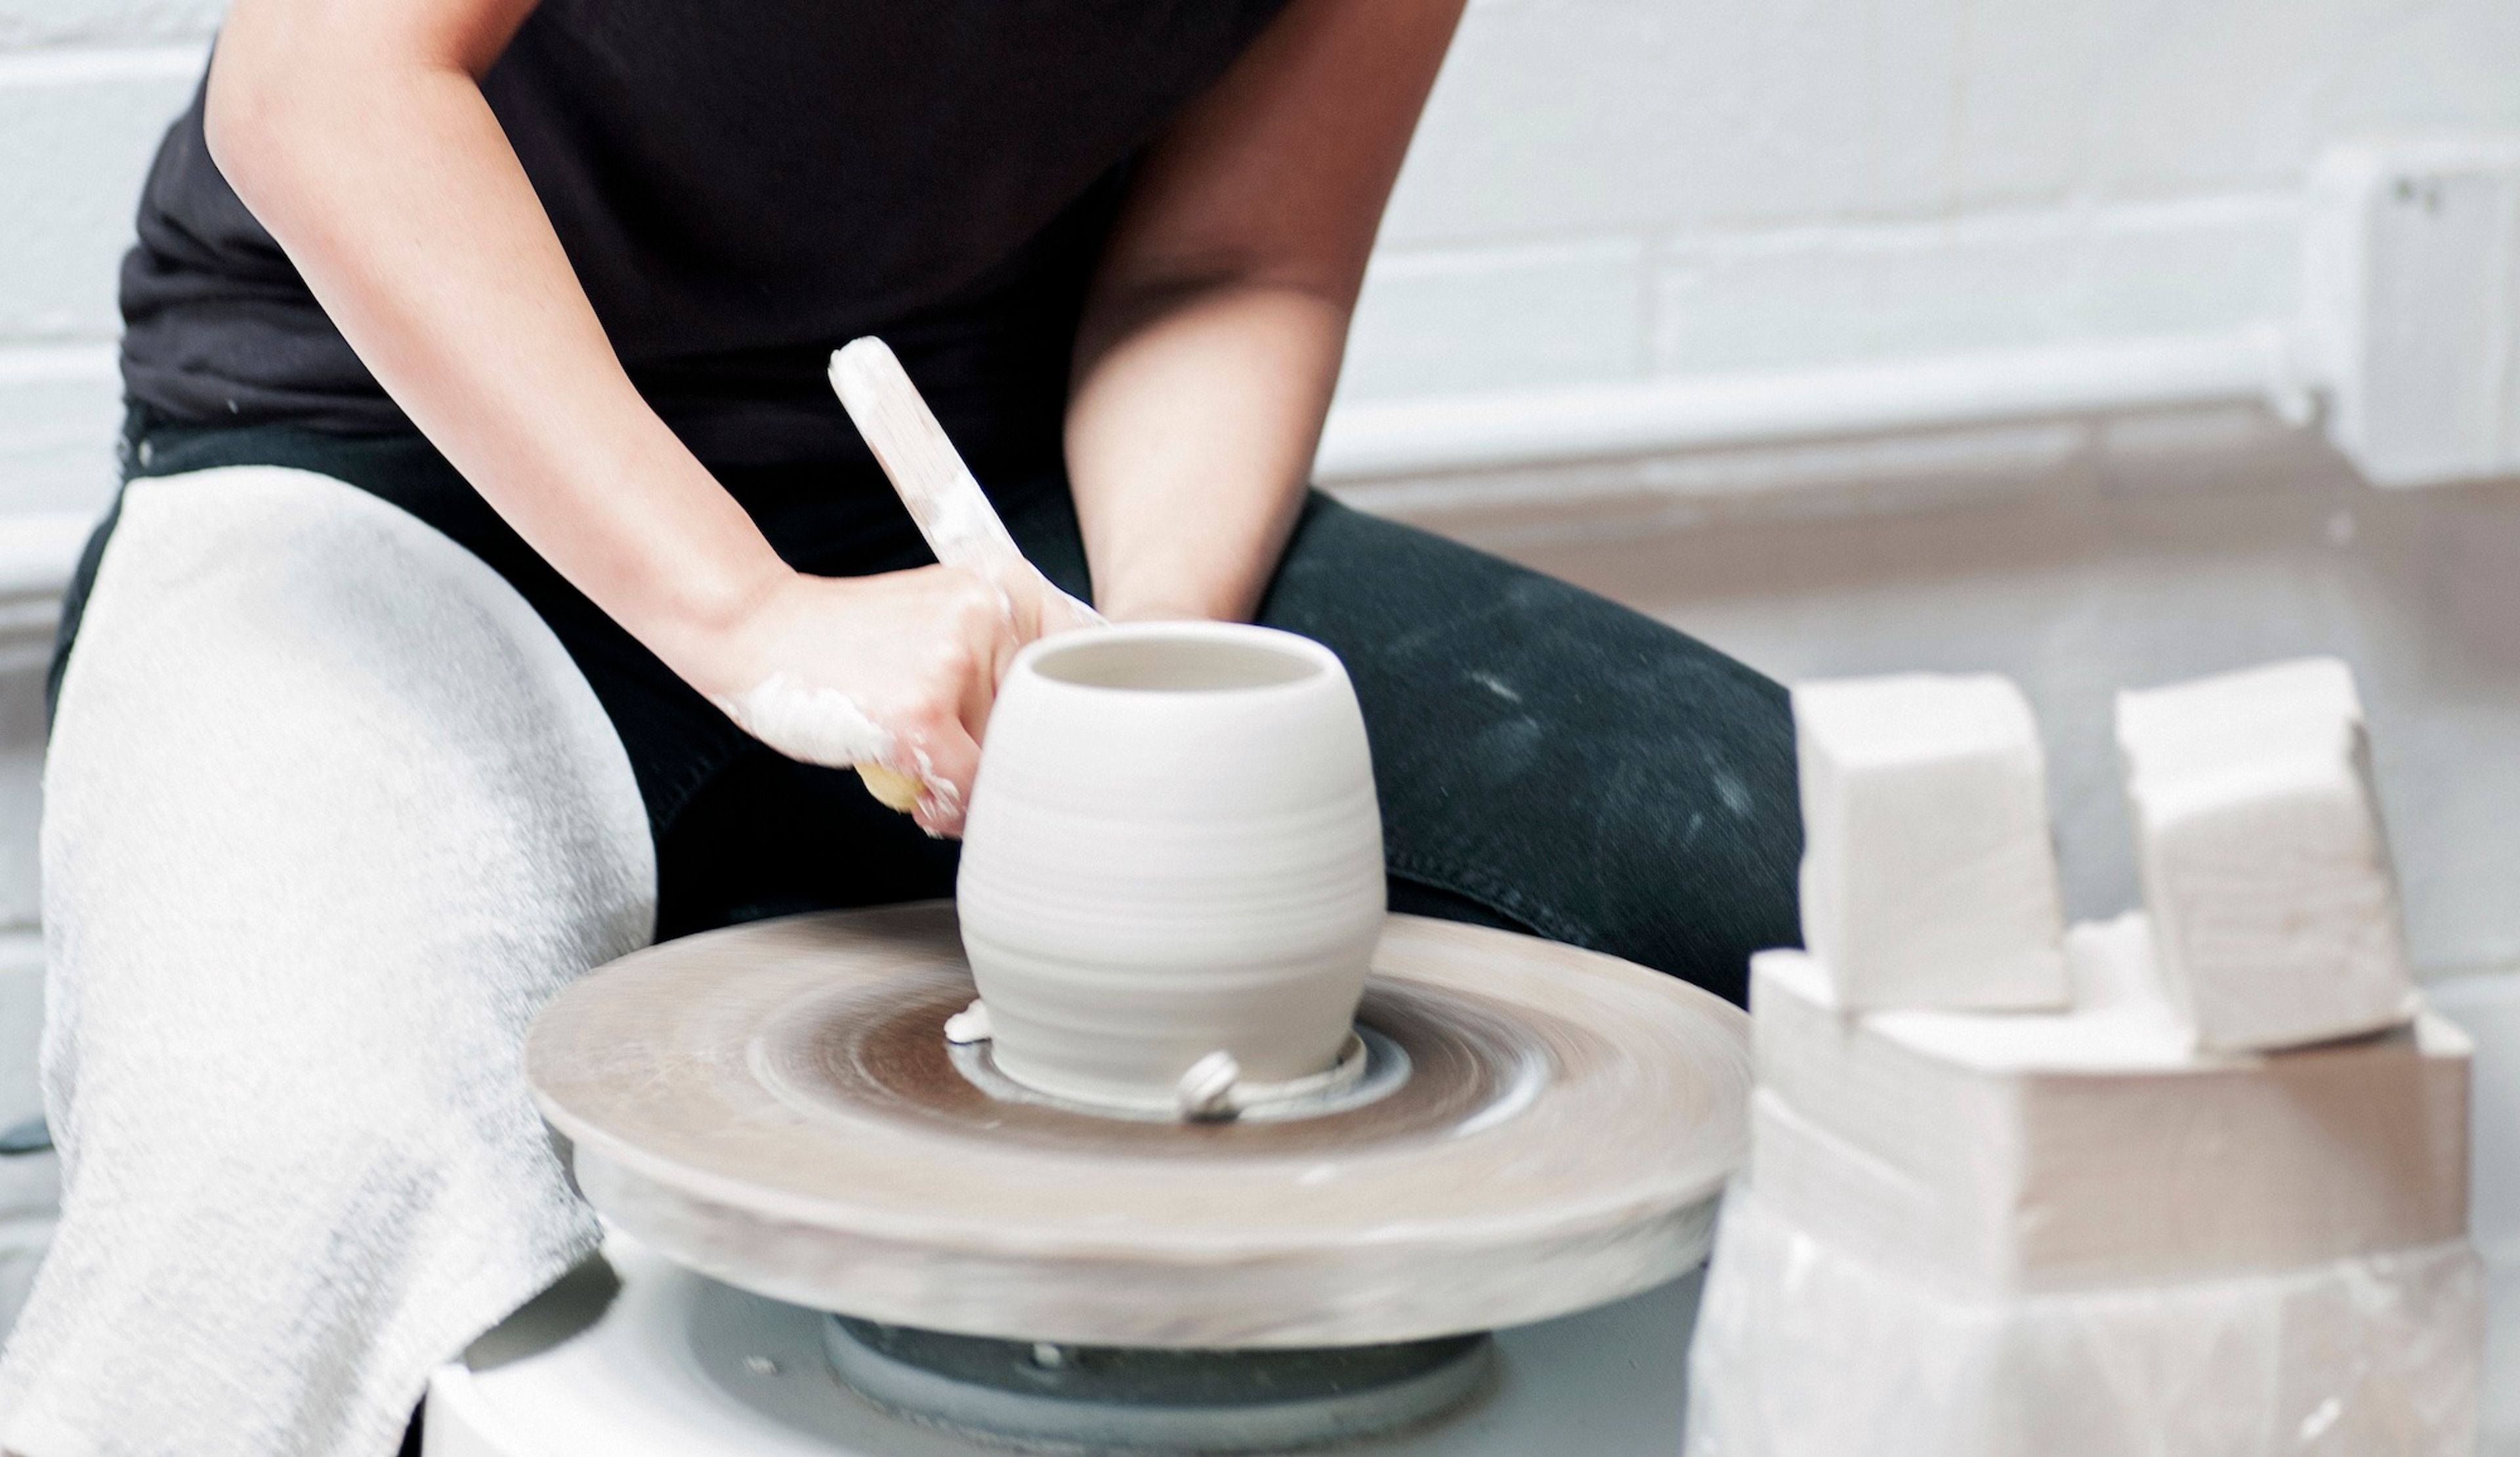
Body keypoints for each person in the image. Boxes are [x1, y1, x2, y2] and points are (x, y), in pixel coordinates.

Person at [0, 1, 1801, 1452]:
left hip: (967, 505)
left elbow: (1234, 263)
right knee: (296, 1175)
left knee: (1806, 897)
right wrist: (755, 618)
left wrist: (1130, 666)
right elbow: (323, 84)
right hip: (387, 471)